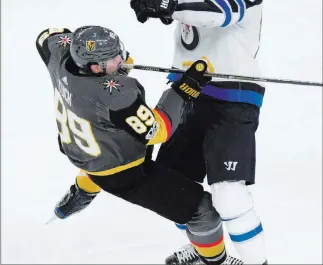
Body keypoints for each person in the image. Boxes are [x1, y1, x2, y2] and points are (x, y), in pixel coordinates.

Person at [93, 0, 268, 265]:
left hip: (234, 99)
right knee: (175, 189)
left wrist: (168, 7)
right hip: (186, 92)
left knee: (229, 195)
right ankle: (204, 245)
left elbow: (218, 13)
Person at [37, 25, 242, 265]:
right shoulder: (114, 97)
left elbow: (47, 35)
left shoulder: (59, 55)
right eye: (114, 59)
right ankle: (216, 262)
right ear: (94, 68)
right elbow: (158, 129)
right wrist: (184, 89)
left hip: (85, 148)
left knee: (106, 146)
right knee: (204, 211)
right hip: (123, 172)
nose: (122, 59)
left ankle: (82, 191)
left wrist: (100, 55)